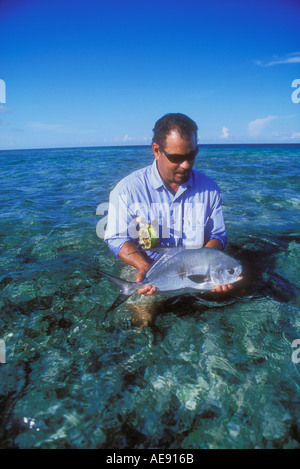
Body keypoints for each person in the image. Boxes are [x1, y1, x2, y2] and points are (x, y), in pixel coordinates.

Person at [104, 113, 232, 294]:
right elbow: (117, 238)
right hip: (148, 270)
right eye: (177, 157)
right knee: (142, 318)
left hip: (199, 274)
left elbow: (217, 235)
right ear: (156, 150)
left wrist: (211, 263)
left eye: (192, 155)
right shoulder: (127, 189)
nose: (186, 165)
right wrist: (144, 266)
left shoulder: (210, 189)